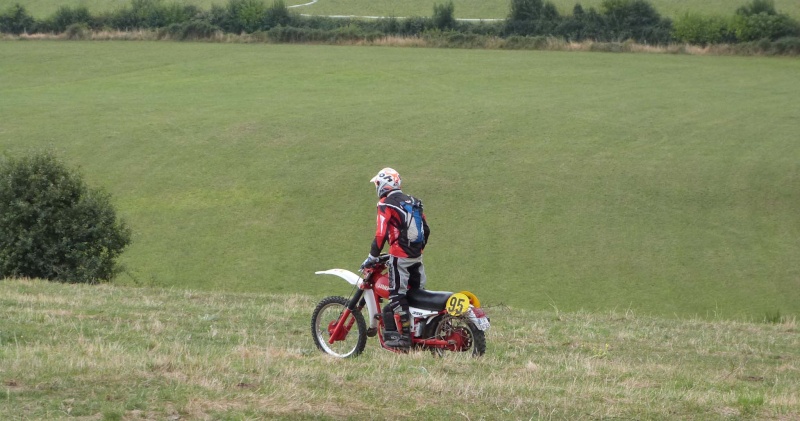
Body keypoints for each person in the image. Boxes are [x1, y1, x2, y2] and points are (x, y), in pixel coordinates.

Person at [361, 167, 430, 349]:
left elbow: (380, 235)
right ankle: (420, 332)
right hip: (416, 257)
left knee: (397, 296)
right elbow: (426, 229)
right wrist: (417, 250)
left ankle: (405, 338)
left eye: (377, 183)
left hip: (400, 257)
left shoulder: (385, 204)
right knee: (415, 295)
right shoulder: (413, 201)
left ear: (383, 184)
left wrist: (371, 257)